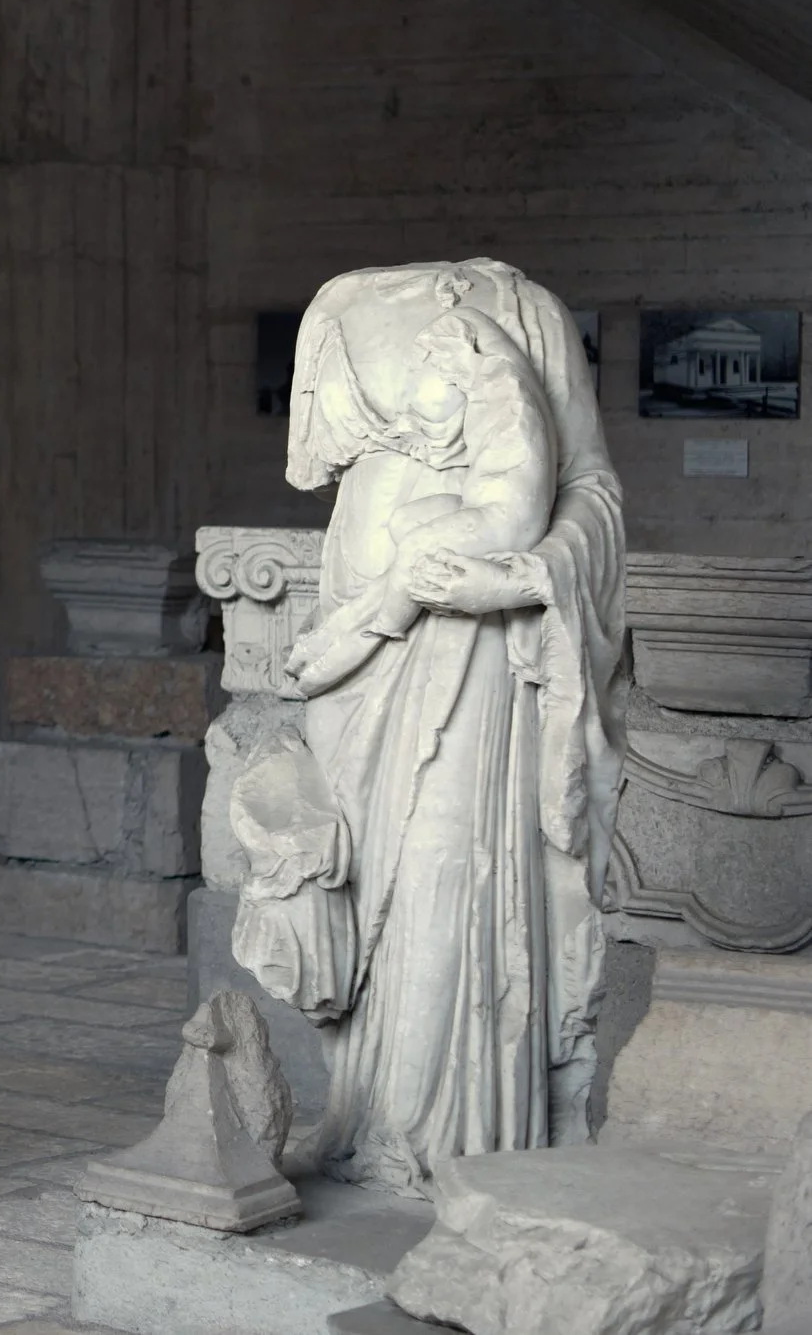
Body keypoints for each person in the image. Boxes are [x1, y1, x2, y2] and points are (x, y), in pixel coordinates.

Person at [257, 259, 623, 1196]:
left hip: (468, 637)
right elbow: (327, 480)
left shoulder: (526, 311)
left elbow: (593, 494)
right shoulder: (335, 303)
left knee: (442, 871)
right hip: (360, 636)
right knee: (359, 872)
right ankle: (363, 1114)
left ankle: (450, 1134)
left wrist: (521, 578)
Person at [282, 306, 555, 697]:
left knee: (415, 550)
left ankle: (371, 637)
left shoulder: (504, 388)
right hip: (477, 502)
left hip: (507, 516)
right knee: (406, 522)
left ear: (462, 349)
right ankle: (361, 614)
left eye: (438, 360)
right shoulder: (485, 384)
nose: (436, 370)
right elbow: (449, 440)